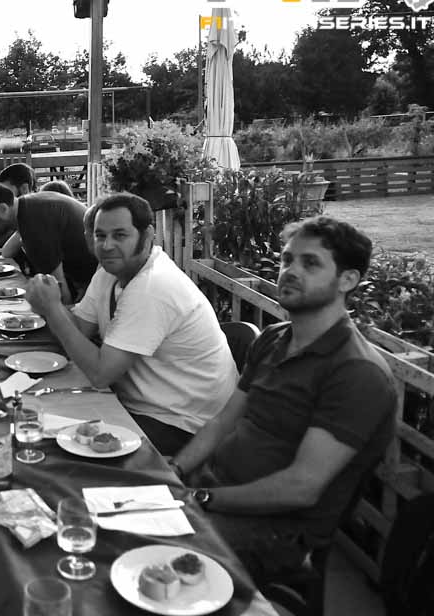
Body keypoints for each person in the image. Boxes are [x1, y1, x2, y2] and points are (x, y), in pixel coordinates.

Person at [169, 216, 396, 585]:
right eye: (287, 259)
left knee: (144, 548)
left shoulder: (357, 372)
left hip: (277, 532)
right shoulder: (274, 338)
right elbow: (223, 422)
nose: (290, 271)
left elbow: (301, 488)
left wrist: (201, 498)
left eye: (310, 263)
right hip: (214, 489)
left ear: (348, 280)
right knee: (109, 504)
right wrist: (176, 471)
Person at [25, 193, 237, 455]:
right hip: (144, 405)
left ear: (147, 236)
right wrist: (50, 305)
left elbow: (100, 374)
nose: (107, 245)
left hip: (182, 424)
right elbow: (78, 331)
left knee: (47, 434)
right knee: (36, 412)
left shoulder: (153, 286)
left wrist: (53, 309)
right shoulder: (109, 272)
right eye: (100, 235)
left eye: (120, 235)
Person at [0, 182, 95, 304]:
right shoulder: (29, 207)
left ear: (3, 209)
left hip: (95, 286)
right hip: (89, 281)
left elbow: (58, 292)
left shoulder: (33, 224)